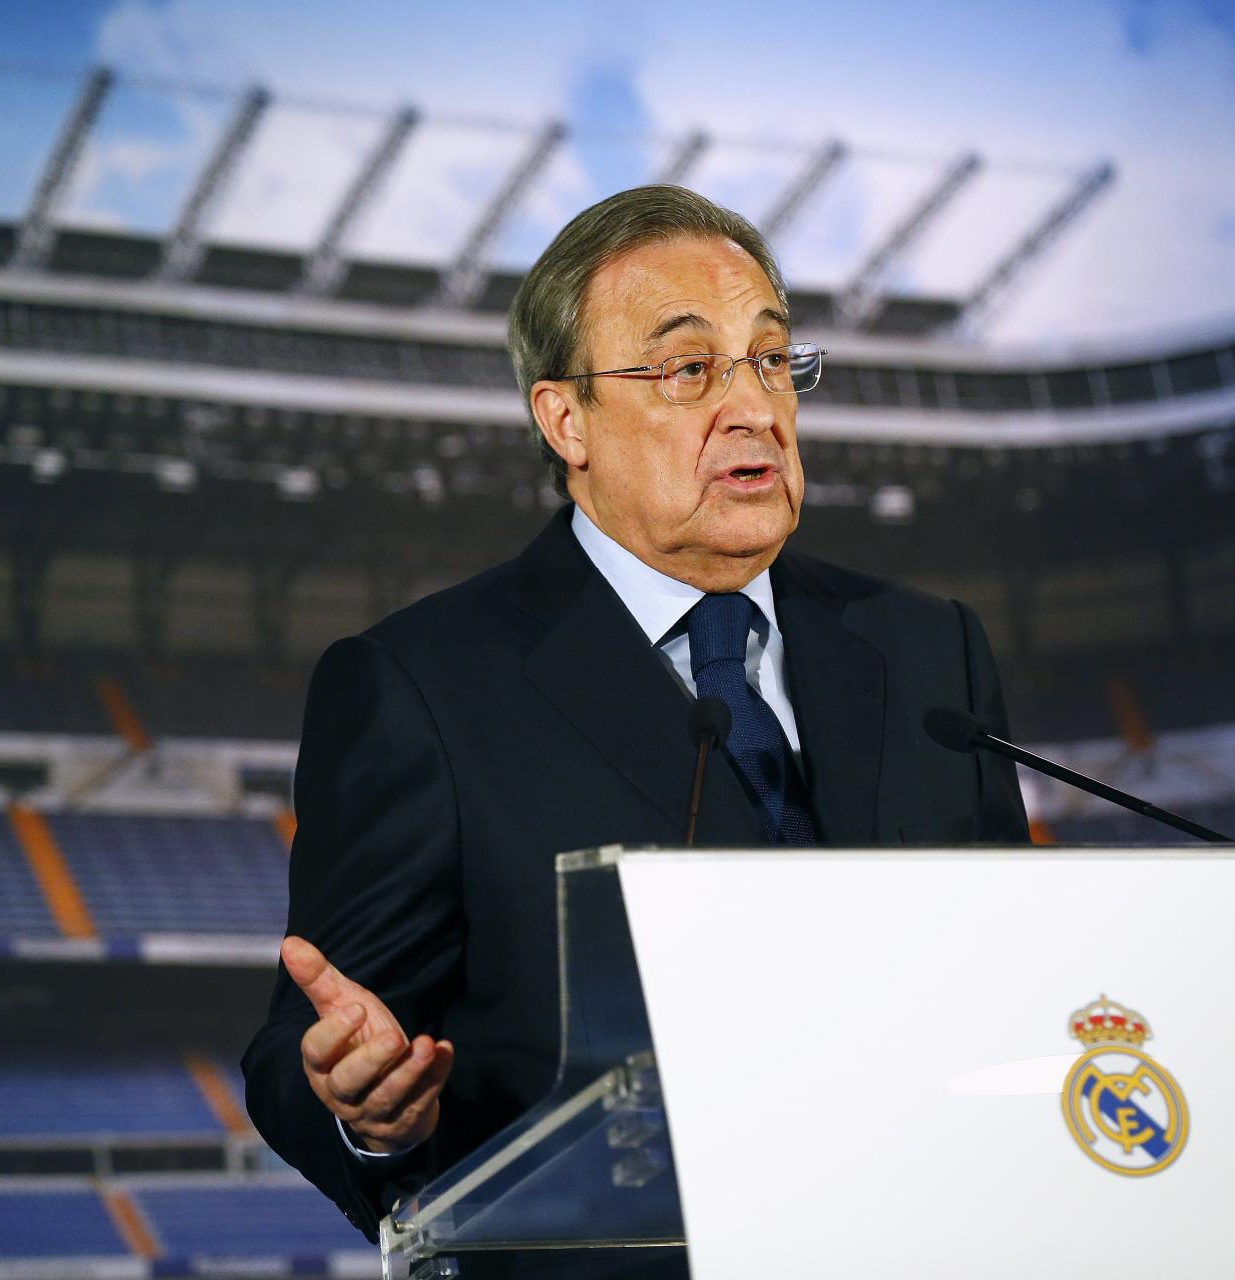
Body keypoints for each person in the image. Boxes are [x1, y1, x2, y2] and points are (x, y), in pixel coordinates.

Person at [241, 185, 1029, 1244]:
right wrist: (368, 1114)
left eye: (768, 358)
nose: (751, 406)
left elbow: (1012, 977)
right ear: (566, 419)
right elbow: (314, 1041)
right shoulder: (420, 685)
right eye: (687, 368)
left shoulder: (927, 647)